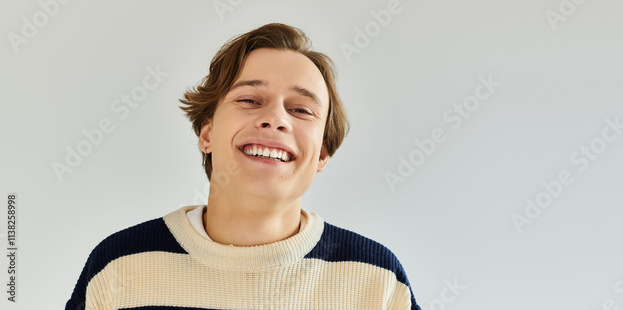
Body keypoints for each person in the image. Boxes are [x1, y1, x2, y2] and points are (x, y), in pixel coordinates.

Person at [66, 23, 421, 310]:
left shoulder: (378, 283)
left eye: (301, 110)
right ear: (207, 133)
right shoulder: (118, 267)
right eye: (250, 100)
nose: (274, 119)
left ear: (323, 155)